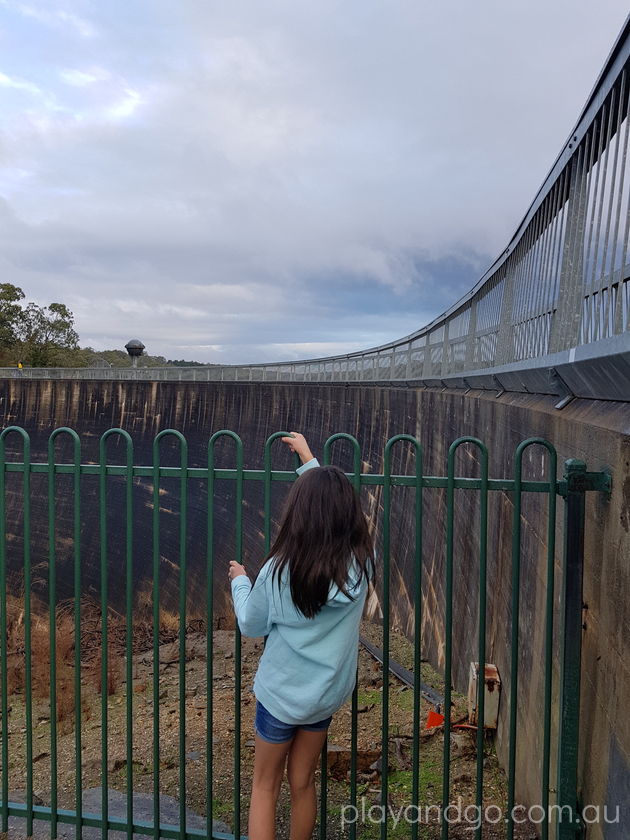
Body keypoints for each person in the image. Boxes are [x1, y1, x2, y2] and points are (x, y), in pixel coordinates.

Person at [229, 432, 374, 840]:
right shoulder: (361, 565)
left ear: (299, 513)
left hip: (280, 697)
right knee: (303, 783)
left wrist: (241, 582)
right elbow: (333, 510)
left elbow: (250, 625)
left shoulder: (278, 571)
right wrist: (312, 464)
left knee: (264, 786)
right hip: (323, 696)